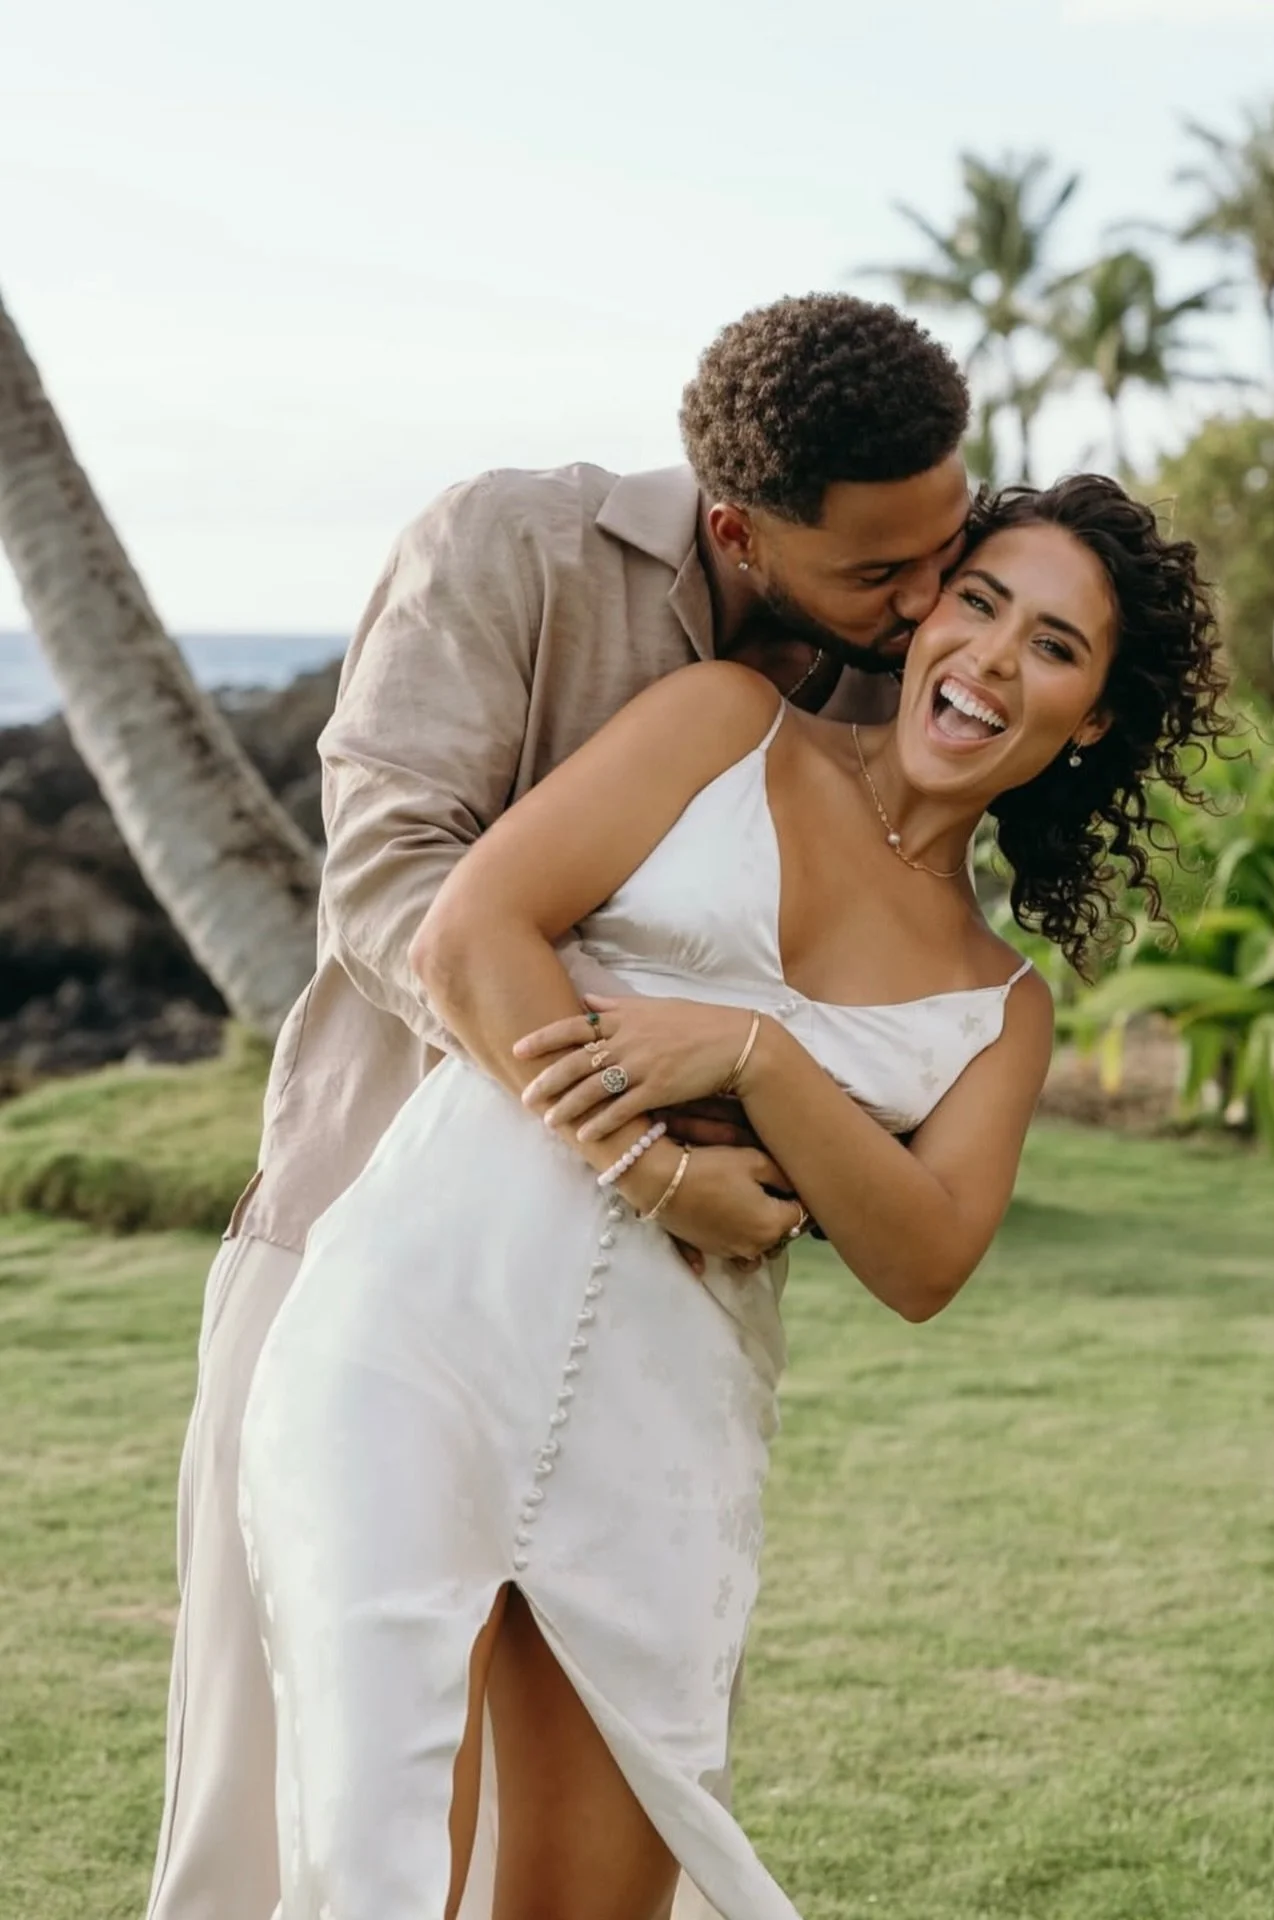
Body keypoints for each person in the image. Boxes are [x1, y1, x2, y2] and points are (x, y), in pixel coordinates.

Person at [236, 473, 1229, 1920]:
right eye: (980, 601)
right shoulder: (719, 723)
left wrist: (759, 1062)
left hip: (666, 1425)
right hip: (421, 1326)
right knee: (372, 1872)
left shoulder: (1002, 1010)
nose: (994, 660)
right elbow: (467, 935)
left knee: (595, 1901)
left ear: (1086, 724)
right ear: (926, 612)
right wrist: (660, 1170)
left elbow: (927, 1255)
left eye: (1056, 649)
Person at [145, 291, 975, 1920]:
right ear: (738, 527)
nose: (928, 598)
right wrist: (649, 1141)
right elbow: (397, 890)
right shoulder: (507, 548)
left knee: (597, 1864)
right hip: (365, 1265)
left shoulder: (891, 668)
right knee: (285, 1833)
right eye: (882, 571)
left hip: (646, 1347)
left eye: (946, 543)